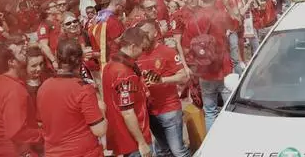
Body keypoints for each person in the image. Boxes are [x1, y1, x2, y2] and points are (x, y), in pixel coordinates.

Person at [37, 38, 106, 157]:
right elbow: (99, 130)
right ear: (81, 60)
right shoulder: (83, 89)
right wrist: (102, 109)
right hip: (83, 152)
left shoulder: (44, 86)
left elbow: (41, 123)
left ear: (56, 57)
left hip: (52, 152)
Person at [136, 20, 190, 157]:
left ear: (155, 33)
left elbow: (184, 77)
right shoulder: (136, 55)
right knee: (162, 151)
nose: (143, 37)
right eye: (140, 34)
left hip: (169, 110)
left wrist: (162, 80)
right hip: (150, 112)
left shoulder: (167, 52)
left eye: (146, 33)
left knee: (178, 151)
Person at [182, 0, 232, 133]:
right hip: (224, 68)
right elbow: (236, 25)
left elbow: (186, 48)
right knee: (230, 109)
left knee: (210, 112)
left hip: (205, 71)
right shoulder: (220, 15)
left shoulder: (192, 21)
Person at [101, 27, 152, 157]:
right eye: (143, 48)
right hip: (134, 139)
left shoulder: (110, 65)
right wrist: (141, 142)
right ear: (133, 46)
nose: (144, 52)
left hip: (123, 137)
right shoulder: (124, 73)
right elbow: (128, 112)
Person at [0, 44, 42, 156]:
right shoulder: (14, 90)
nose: (24, 51)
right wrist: (43, 134)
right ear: (11, 62)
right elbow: (17, 132)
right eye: (20, 52)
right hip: (16, 151)